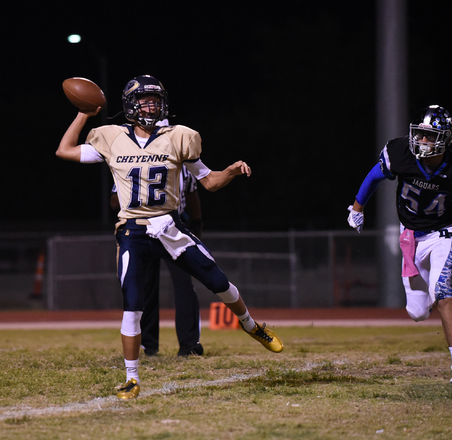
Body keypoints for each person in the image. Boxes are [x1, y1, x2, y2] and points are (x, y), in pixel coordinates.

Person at [56, 74, 284, 400]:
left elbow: (208, 183)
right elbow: (64, 150)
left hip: (170, 227)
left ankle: (251, 326)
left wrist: (231, 171)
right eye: (145, 102)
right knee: (132, 306)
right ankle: (132, 378)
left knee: (219, 282)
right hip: (133, 231)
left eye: (155, 101)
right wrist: (84, 113)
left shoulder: (179, 136)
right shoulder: (110, 137)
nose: (152, 107)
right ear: (131, 107)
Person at [346, 105, 452, 384]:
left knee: (442, 293)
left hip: (443, 234)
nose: (422, 141)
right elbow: (374, 175)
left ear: (446, 139)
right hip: (410, 236)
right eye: (420, 134)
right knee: (418, 312)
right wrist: (357, 208)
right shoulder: (401, 154)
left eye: (430, 136)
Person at [110, 161, 205, 357]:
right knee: (145, 286)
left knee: (183, 284)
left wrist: (197, 222)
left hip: (173, 226)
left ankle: (189, 343)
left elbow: (191, 192)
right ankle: (147, 344)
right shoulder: (132, 158)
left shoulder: (180, 162)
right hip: (142, 227)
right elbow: (114, 199)